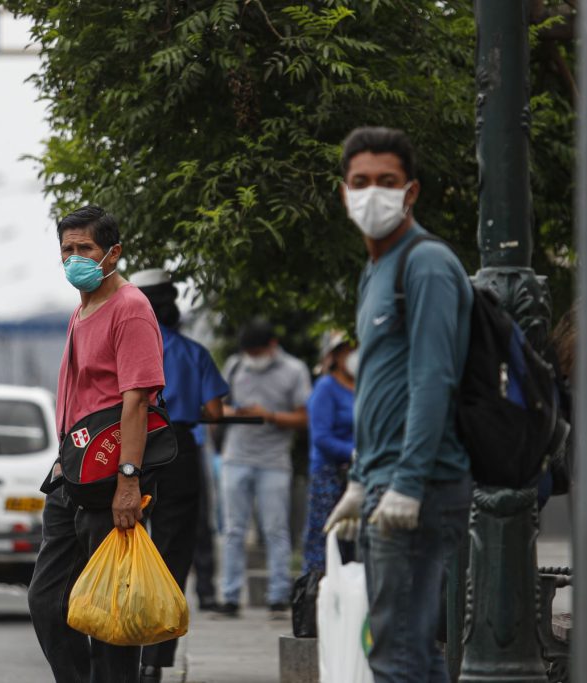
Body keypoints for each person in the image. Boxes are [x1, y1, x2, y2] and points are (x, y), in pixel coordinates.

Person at [325, 126, 473, 683]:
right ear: (344, 192)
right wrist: (361, 482)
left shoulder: (426, 264)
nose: (372, 194)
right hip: (384, 482)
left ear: (411, 192)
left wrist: (408, 482)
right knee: (406, 649)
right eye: (360, 182)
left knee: (397, 654)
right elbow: (380, 388)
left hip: (421, 483)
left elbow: (433, 380)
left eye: (386, 182)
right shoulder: (374, 269)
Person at [28, 205, 166, 683]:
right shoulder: (82, 309)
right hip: (71, 477)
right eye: (66, 250)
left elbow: (137, 402)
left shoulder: (130, 308)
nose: (73, 259)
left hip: (111, 481)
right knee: (48, 602)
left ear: (113, 253)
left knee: (110, 611)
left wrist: (128, 483)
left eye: (84, 249)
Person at [132, 267, 230, 683]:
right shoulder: (194, 353)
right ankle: (155, 659)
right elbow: (215, 412)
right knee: (172, 557)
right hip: (181, 452)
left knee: (128, 550)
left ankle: (123, 650)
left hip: (134, 451)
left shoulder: (130, 352)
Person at [219, 318, 311, 619]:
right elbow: (215, 407)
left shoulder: (294, 370)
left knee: (276, 530)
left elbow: (304, 418)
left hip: (274, 461)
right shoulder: (235, 365)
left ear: (272, 346)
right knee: (233, 530)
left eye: (257, 352)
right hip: (236, 457)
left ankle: (278, 597)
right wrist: (236, 413)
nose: (252, 359)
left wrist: (268, 416)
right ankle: (230, 597)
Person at [303, 331, 356, 573]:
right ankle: (314, 599)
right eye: (348, 350)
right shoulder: (326, 387)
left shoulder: (365, 387)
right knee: (324, 539)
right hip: (329, 475)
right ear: (336, 356)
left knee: (353, 546)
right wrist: (353, 452)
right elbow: (321, 437)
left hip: (359, 475)